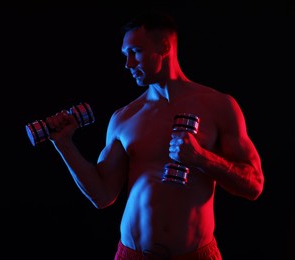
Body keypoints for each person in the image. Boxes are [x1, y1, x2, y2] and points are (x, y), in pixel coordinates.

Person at [44, 9, 264, 260]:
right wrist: (64, 144)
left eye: (135, 52)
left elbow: (254, 185)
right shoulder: (124, 117)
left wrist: (201, 159)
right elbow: (102, 195)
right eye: (125, 55)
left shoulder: (218, 106)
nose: (128, 64)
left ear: (164, 46)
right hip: (132, 254)